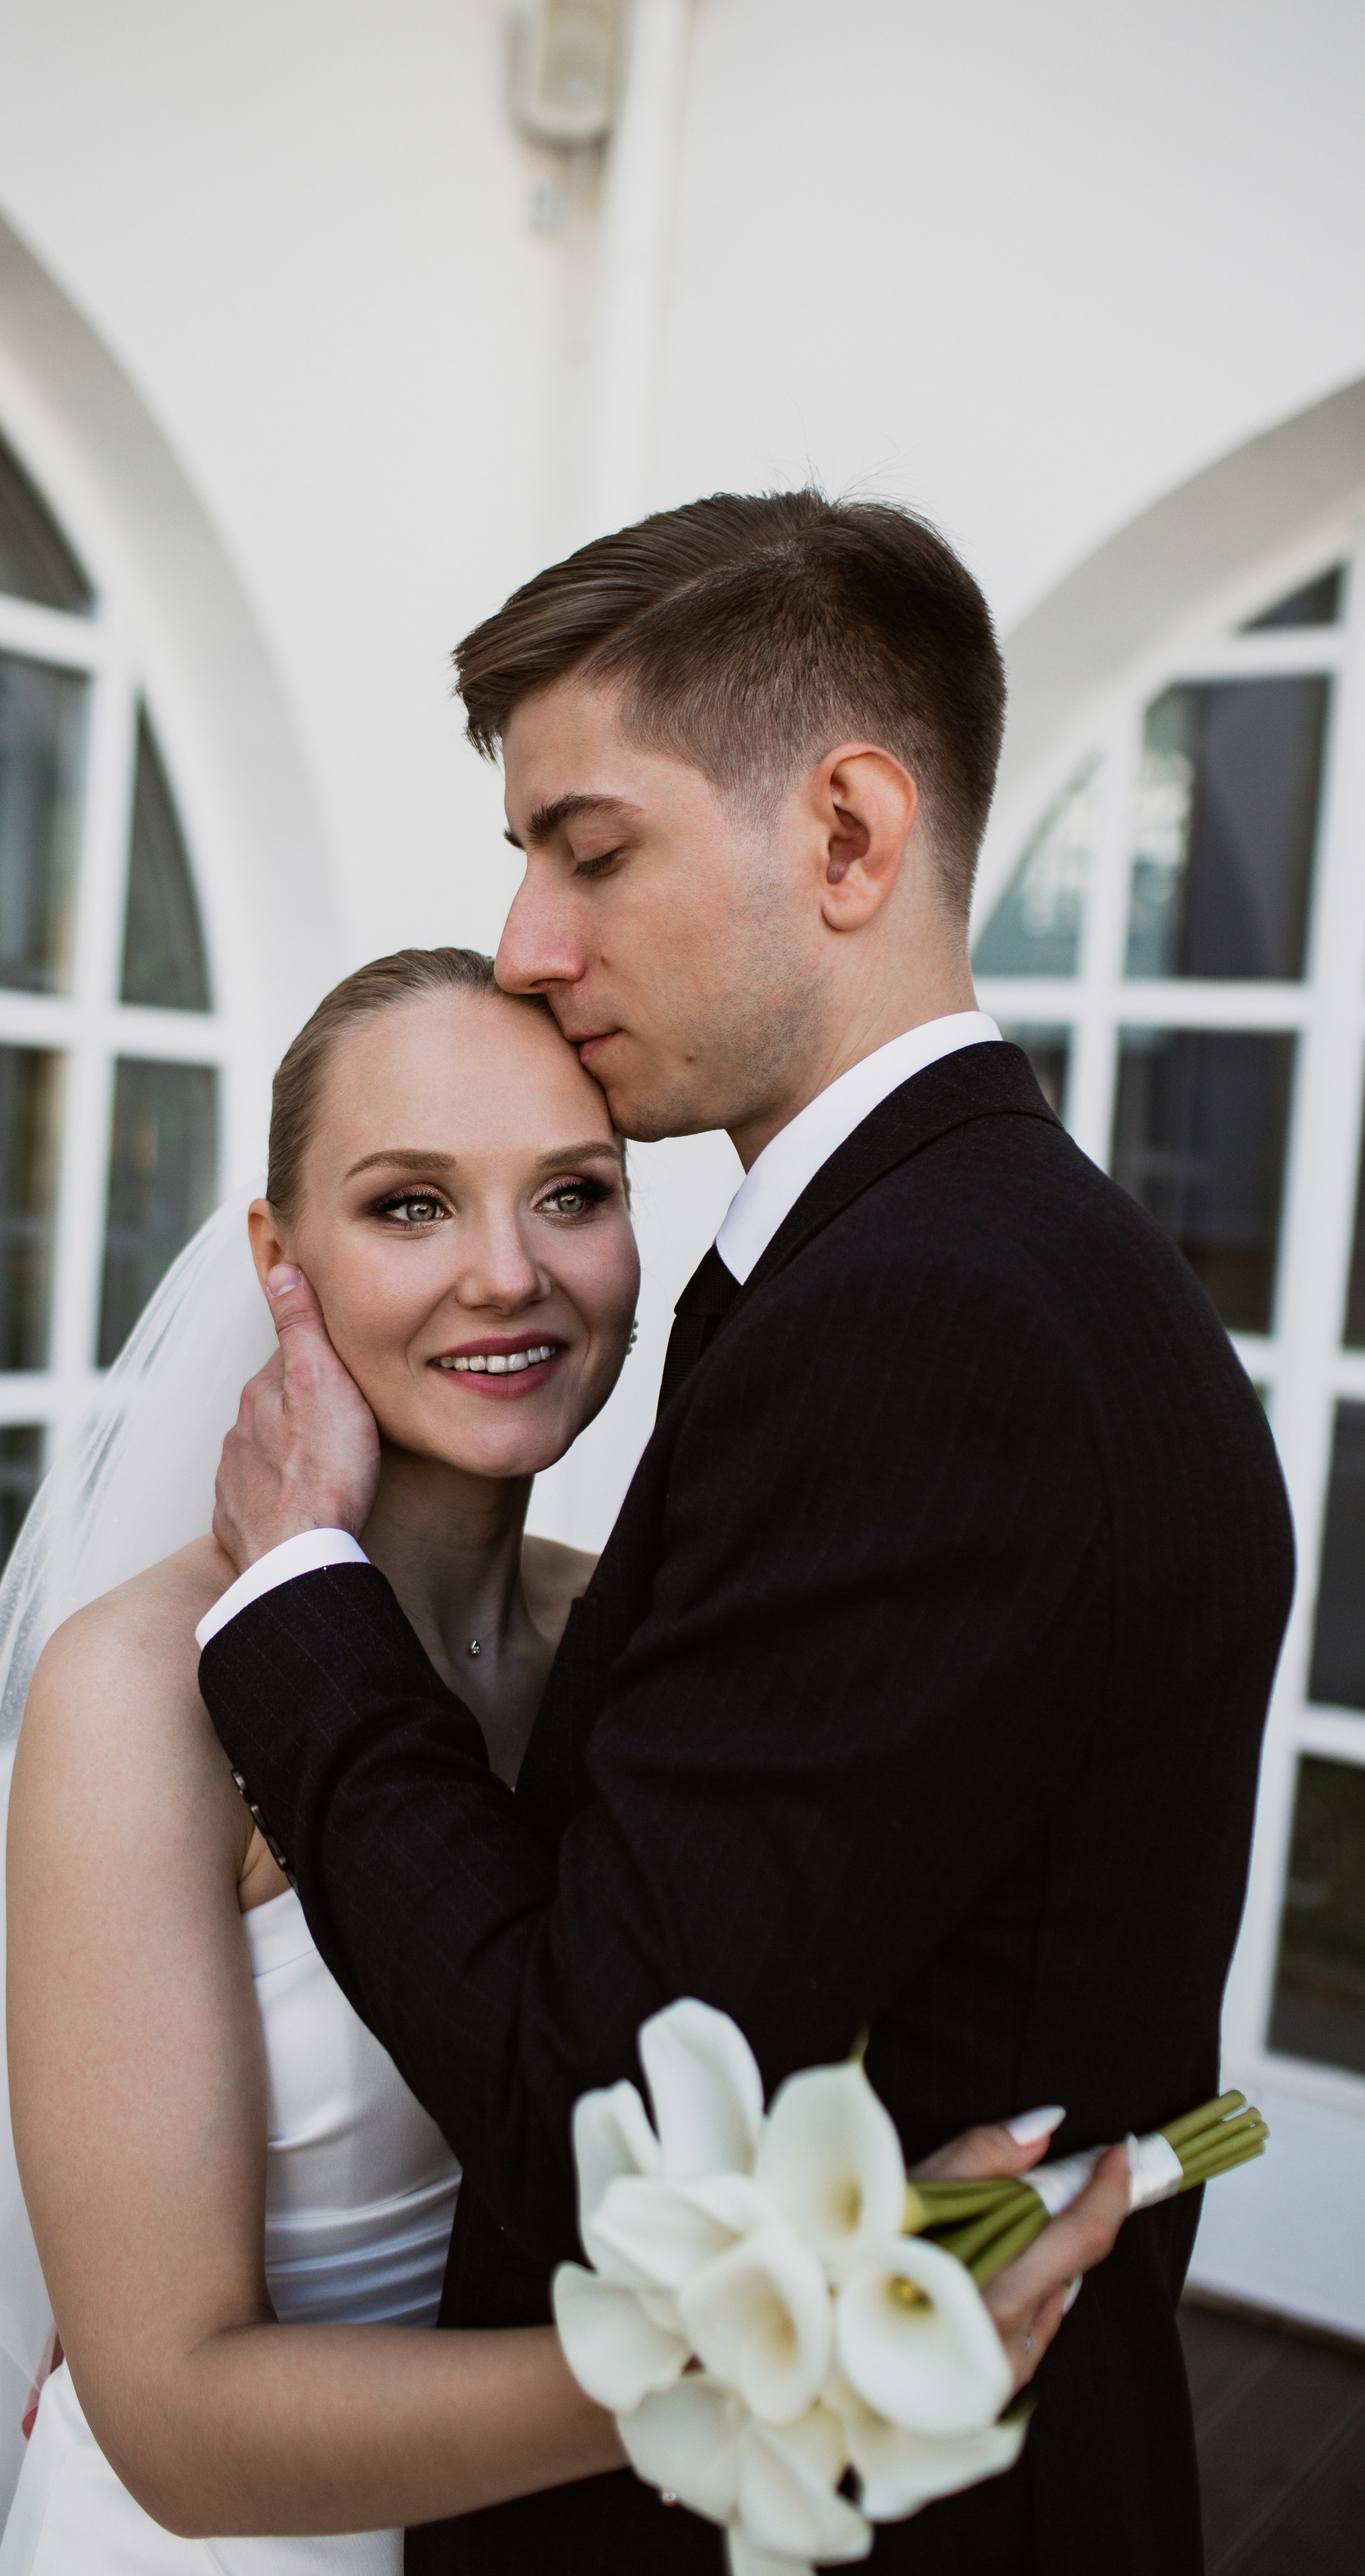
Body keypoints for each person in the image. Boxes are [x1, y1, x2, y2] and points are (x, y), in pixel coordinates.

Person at [202, 494, 1296, 2575]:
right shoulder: (991, 1261)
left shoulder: (934, 1324)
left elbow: (597, 2118)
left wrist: (295, 1604)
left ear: (850, 837)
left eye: (590, 850)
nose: (529, 942)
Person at [0, 945, 1119, 2576]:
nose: (507, 1275)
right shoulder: (143, 1690)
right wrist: (745, 2360)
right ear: (278, 1256)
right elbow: (171, 2418)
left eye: (571, 1195)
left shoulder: (626, 1634)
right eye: (409, 1206)